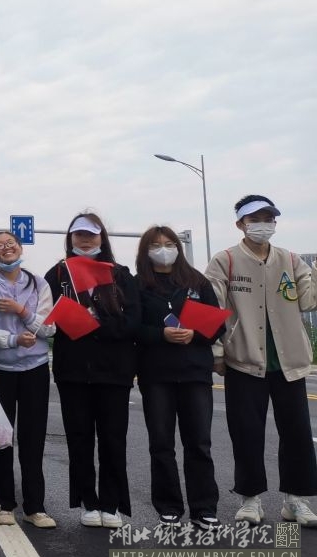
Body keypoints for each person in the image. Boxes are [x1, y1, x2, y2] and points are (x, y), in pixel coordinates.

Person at [204, 195, 317, 527]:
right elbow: (212, 309)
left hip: (289, 362)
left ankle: (295, 501)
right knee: (247, 433)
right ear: (240, 224)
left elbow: (308, 301)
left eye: (269, 218)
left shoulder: (290, 260)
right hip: (244, 361)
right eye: (255, 219)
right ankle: (250, 500)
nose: (263, 224)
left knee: (297, 433)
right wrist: (217, 353)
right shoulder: (225, 260)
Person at [44, 213, 140, 529]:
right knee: (79, 439)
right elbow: (45, 316)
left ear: (102, 238)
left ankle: (112, 504)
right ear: (70, 238)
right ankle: (88, 502)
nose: (85, 240)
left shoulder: (121, 275)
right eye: (79, 235)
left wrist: (97, 323)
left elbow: (134, 322)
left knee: (113, 440)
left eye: (91, 234)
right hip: (73, 372)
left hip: (114, 372)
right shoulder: (58, 274)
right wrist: (70, 320)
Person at [134, 225, 221, 529]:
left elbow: (217, 326)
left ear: (178, 248)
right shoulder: (138, 285)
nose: (164, 249)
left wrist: (195, 333)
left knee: (199, 443)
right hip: (156, 375)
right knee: (161, 444)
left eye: (170, 244)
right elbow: (132, 327)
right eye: (156, 245)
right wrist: (161, 335)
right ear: (146, 251)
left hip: (195, 373)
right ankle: (169, 507)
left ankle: (204, 508)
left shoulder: (197, 282)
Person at [0, 231, 57, 529]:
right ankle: (5, 504)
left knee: (33, 438)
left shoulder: (39, 284)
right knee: (2, 438)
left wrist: (21, 310)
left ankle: (35, 507)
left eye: (10, 243)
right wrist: (13, 339)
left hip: (35, 369)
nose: (6, 248)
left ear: (20, 248)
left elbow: (49, 328)